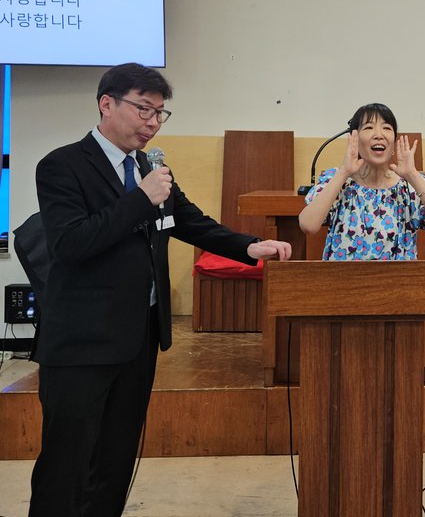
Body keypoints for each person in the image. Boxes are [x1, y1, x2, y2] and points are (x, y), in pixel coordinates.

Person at [28, 63, 291, 517]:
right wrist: (141, 198)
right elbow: (72, 244)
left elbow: (189, 221)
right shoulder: (62, 166)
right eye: (143, 109)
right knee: (68, 461)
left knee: (116, 457)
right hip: (82, 342)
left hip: (138, 337)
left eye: (160, 114)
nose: (152, 122)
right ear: (106, 104)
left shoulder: (150, 168)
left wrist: (249, 246)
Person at [299, 103, 425, 259]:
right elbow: (308, 225)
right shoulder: (338, 179)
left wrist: (413, 175)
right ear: (354, 139)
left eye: (387, 128)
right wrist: (344, 172)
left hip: (398, 275)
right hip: (343, 275)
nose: (379, 135)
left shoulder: (409, 186)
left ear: (394, 141)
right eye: (368, 127)